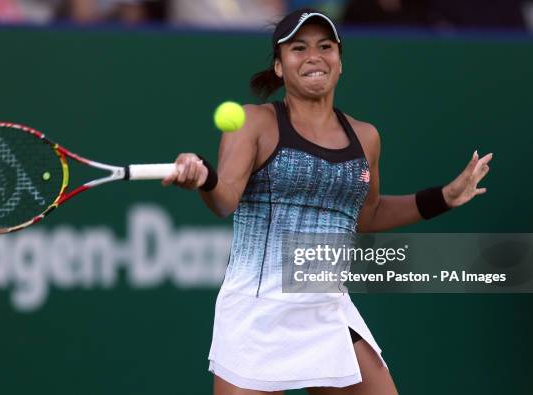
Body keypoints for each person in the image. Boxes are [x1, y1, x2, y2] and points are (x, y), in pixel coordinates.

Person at [162, 8, 492, 395]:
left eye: (325, 46)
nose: (314, 56)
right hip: (258, 310)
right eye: (298, 48)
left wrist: (444, 198)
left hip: (326, 307)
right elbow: (224, 201)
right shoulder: (254, 122)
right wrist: (204, 176)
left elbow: (367, 215)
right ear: (280, 67)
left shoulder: (366, 137)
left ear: (339, 61)